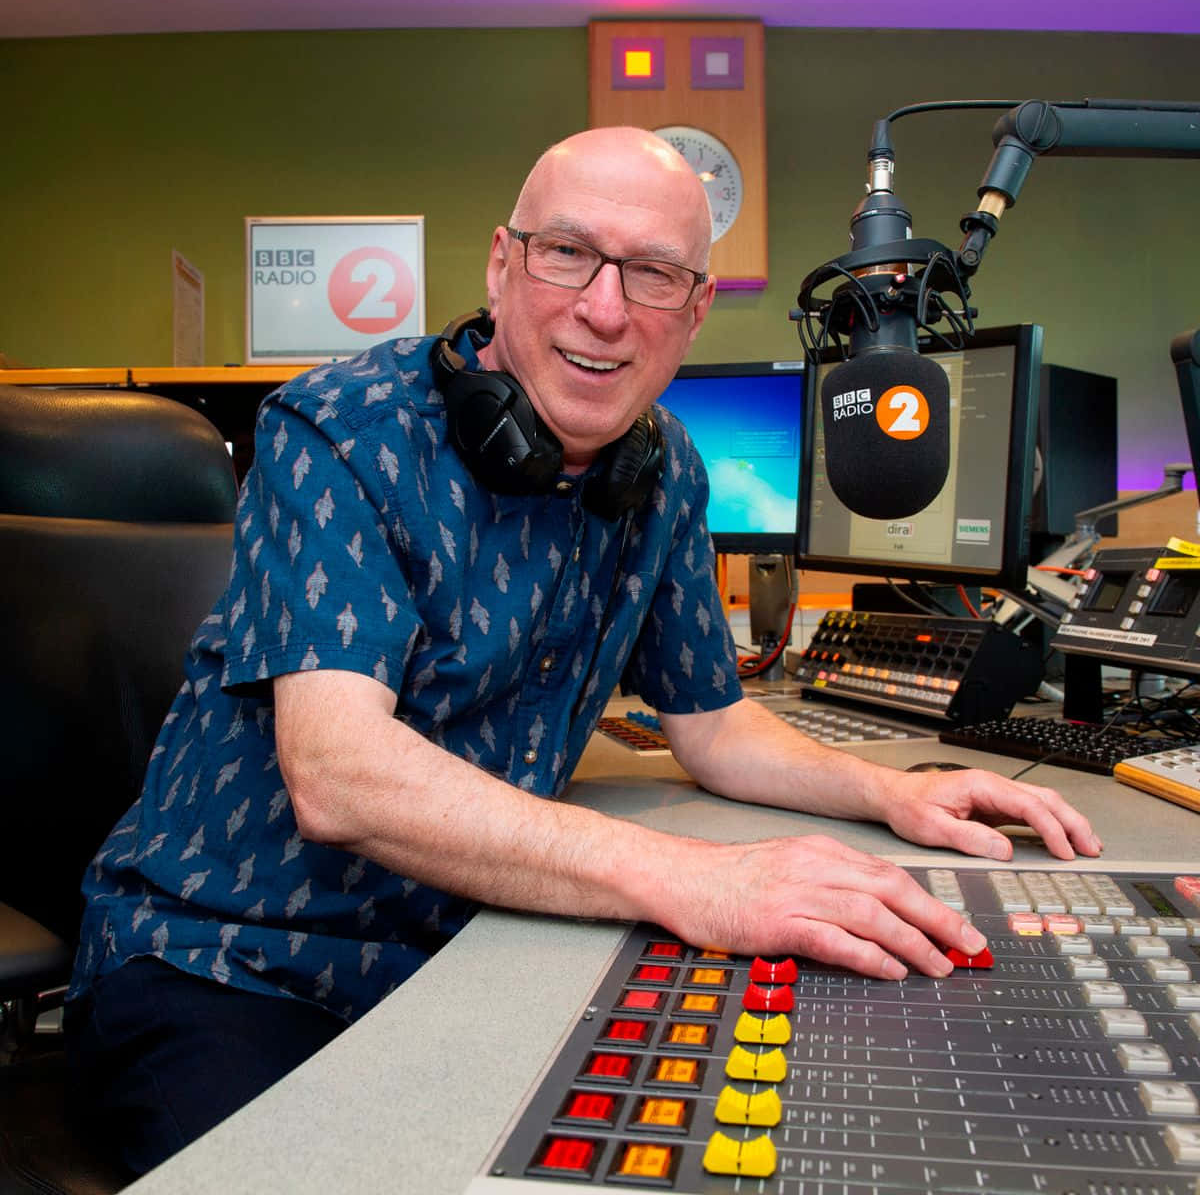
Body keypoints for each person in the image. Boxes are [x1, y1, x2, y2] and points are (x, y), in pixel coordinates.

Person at [65, 126, 1101, 1174]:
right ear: (501, 265)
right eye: (567, 253)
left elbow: (715, 725)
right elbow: (341, 776)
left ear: (693, 312)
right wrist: (701, 880)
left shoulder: (664, 468)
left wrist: (891, 792)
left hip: (468, 947)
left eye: (652, 273)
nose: (605, 309)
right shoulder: (340, 427)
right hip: (223, 963)